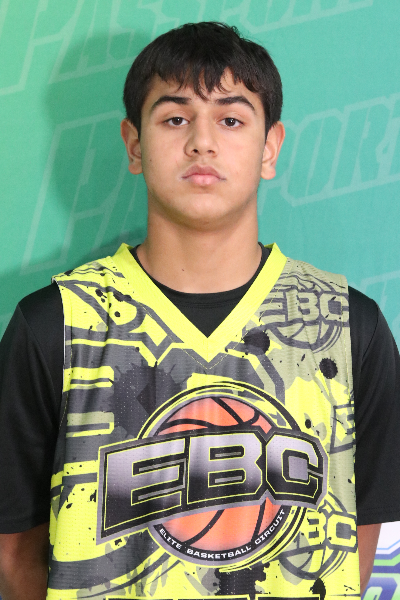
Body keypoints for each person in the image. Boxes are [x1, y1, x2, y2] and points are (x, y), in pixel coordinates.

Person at [0, 21, 399, 600]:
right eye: (175, 118)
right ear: (134, 144)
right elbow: (15, 553)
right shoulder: (55, 325)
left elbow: (360, 538)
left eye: (231, 119)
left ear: (270, 147)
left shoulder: (347, 326)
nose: (202, 142)